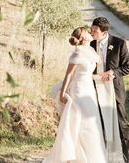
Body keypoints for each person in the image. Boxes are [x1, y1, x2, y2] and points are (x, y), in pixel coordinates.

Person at [43, 27, 107, 163]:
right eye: (88, 33)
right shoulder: (77, 54)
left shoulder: (89, 52)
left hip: (89, 91)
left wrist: (102, 77)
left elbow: (89, 75)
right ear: (83, 38)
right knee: (79, 122)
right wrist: (62, 93)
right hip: (78, 91)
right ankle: (77, 157)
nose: (91, 34)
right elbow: (69, 75)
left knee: (91, 123)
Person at [90, 17, 129, 163]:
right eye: (91, 30)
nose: (92, 33)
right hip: (96, 88)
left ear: (104, 31)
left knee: (122, 123)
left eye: (95, 31)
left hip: (114, 88)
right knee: (101, 123)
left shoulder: (119, 43)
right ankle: (104, 157)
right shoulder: (90, 44)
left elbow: (128, 67)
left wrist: (113, 72)